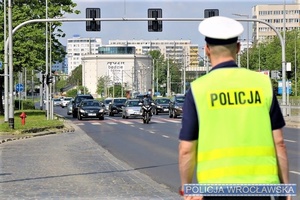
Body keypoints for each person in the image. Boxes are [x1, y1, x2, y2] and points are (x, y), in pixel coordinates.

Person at [178, 16, 290, 200]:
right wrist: (285, 189)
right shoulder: (262, 84)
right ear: (238, 48)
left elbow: (186, 149)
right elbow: (279, 143)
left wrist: (187, 188)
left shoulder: (198, 89)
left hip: (215, 191)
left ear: (206, 50)